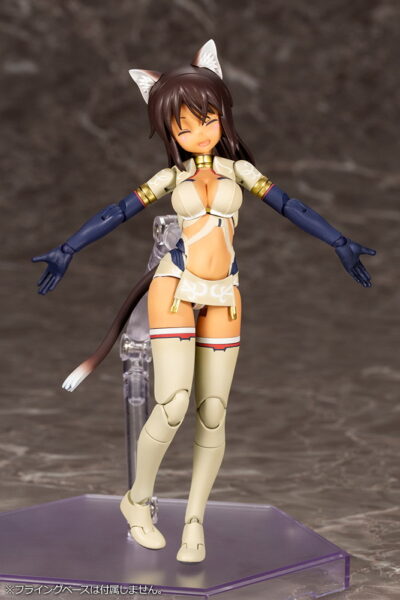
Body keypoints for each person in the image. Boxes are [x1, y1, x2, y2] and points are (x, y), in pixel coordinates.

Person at [32, 40, 376, 563]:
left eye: (208, 119)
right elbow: (116, 211)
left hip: (224, 293)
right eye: (183, 127)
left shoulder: (241, 174)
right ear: (169, 132)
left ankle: (194, 520)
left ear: (223, 114)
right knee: (172, 405)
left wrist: (338, 241)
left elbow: (291, 205)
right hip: (175, 286)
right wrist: (68, 248)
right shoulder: (171, 178)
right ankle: (137, 501)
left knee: (212, 413)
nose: (198, 133)